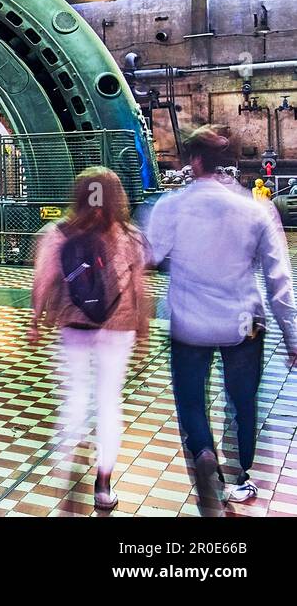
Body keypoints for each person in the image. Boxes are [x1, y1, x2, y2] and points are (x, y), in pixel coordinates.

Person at [147, 126, 297, 509]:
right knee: (243, 401)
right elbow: (279, 280)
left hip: (190, 325)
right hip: (244, 322)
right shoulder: (256, 208)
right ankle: (242, 477)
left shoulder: (172, 206)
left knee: (192, 400)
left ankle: (203, 452)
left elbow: (147, 256)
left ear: (194, 161)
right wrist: (293, 338)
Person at [31, 166, 150, 511]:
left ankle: (66, 466)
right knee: (109, 401)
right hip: (119, 327)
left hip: (74, 327)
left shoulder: (59, 233)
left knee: (76, 396)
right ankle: (103, 485)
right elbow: (139, 287)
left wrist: (35, 321)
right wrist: (141, 327)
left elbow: (43, 279)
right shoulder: (129, 235)